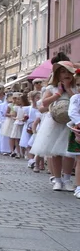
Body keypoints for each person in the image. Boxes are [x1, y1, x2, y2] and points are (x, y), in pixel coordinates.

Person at [31, 62, 78, 192]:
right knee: (55, 152)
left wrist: (68, 89)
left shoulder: (75, 87)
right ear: (58, 74)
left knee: (69, 153)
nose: (66, 74)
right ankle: (57, 179)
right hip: (55, 122)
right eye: (63, 72)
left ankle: (67, 179)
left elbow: (76, 100)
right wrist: (58, 93)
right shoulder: (51, 88)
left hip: (70, 122)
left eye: (69, 72)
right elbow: (44, 103)